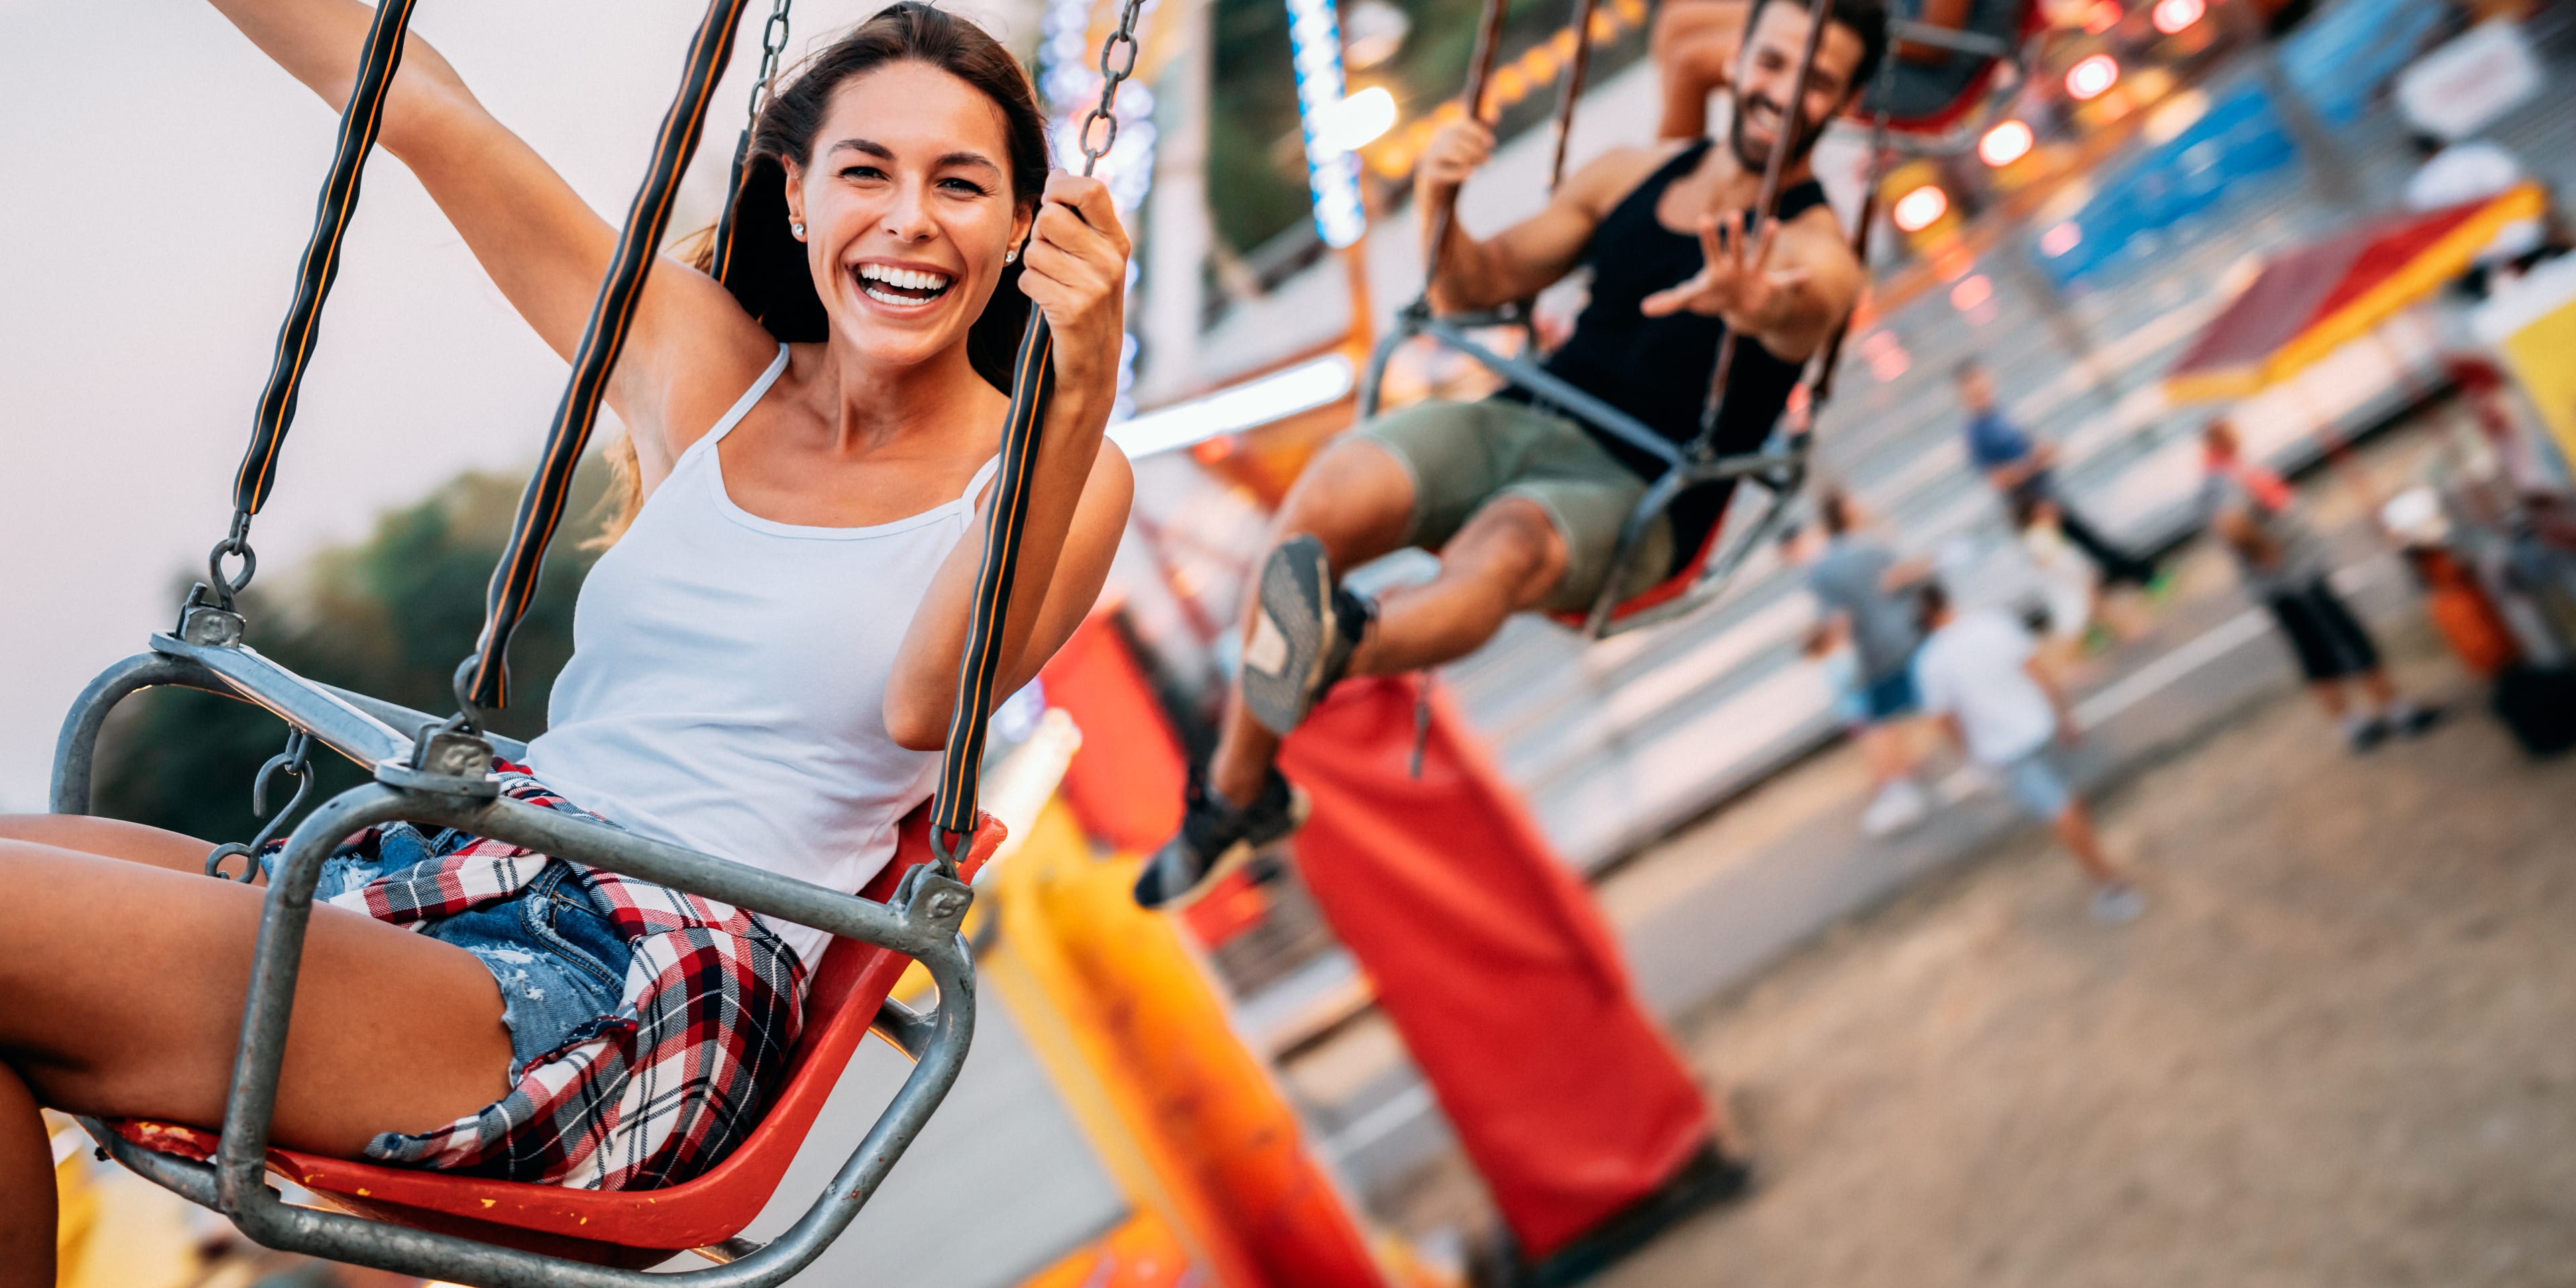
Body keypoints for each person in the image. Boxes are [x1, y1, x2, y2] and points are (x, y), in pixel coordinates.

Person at [0, 2, 1132, 1274]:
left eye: (962, 184)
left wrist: (1074, 388)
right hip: (479, 869)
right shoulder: (709, 372)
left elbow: (935, 700)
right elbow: (423, 109)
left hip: (635, 986)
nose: (910, 219)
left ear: (1031, 228)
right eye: (865, 171)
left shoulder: (1053, 470)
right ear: (797, 198)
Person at [1136, 0, 1885, 905]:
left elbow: (1813, 302)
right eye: (1772, 64)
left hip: (1643, 489)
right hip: (1529, 417)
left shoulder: (1814, 245)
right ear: (1742, 61)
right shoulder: (1627, 176)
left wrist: (1758, 304)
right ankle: (1236, 795)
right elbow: (1472, 285)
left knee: (1507, 545)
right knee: (1328, 497)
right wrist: (1439, 204)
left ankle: (1338, 644)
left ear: (1842, 102)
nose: (1781, 93)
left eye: (1815, 82)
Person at [2200, 420, 2438, 753]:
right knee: (2345, 638)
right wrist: (2270, 553)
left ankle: (2354, 726)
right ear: (2222, 438)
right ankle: (2397, 712)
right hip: (2295, 577)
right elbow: (2233, 525)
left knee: (2315, 651)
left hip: (2284, 580)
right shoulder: (2221, 480)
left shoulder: (2225, 474)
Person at [1911, 582, 2143, 922]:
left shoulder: (1929, 662)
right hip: (2042, 723)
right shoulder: (1994, 623)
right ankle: (2101, 862)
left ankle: (2112, 885)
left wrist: (1970, 757)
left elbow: (1946, 720)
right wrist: (2064, 715)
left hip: (2003, 747)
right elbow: (2038, 671)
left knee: (2058, 810)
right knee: (2067, 801)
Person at [1792, 491, 1931, 836]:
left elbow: (1837, 621)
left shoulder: (1822, 569)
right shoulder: (1874, 546)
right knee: (1936, 704)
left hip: (1872, 652)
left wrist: (1829, 651)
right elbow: (1899, 576)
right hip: (1907, 637)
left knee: (1881, 722)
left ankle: (1899, 792)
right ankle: (1980, 761)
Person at [1954, 359, 2157, 590]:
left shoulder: (2000, 415)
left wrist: (2044, 453)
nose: (1984, 391)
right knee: (2065, 566)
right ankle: (2142, 577)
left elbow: (2027, 449)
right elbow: (1999, 479)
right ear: (1966, 393)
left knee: (2089, 547)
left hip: (2047, 495)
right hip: (2032, 509)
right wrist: (2034, 464)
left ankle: (2141, 578)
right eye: (1976, 388)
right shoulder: (1975, 433)